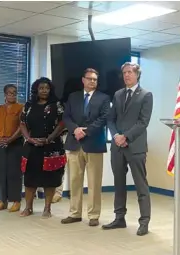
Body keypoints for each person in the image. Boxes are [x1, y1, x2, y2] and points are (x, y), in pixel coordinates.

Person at [103, 62, 153, 236]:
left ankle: (144, 221)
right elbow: (110, 119)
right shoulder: (117, 94)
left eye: (130, 72)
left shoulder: (146, 95)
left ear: (137, 74)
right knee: (119, 184)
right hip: (117, 147)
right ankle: (119, 218)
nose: (126, 75)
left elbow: (143, 122)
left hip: (136, 146)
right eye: (124, 72)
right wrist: (116, 135)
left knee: (141, 185)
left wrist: (126, 136)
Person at [61, 68, 110, 227]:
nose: (92, 82)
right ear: (83, 80)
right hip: (74, 143)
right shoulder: (73, 97)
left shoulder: (104, 98)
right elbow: (66, 116)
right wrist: (75, 129)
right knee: (75, 180)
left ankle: (94, 215)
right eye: (89, 79)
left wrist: (86, 131)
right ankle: (75, 213)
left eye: (95, 79)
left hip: (94, 143)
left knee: (94, 182)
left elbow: (104, 118)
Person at [19, 77, 66, 218]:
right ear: (36, 90)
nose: (44, 90)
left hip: (52, 147)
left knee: (50, 178)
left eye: (47, 88)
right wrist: (29, 138)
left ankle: (47, 208)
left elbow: (62, 123)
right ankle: (28, 208)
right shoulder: (28, 105)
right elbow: (22, 123)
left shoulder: (56, 105)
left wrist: (49, 138)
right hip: (31, 147)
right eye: (41, 88)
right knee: (29, 178)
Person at [0, 84, 24, 212]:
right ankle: (2, 200)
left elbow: (22, 126)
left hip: (15, 143)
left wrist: (10, 139)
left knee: (15, 172)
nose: (12, 95)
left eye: (14, 93)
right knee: (2, 171)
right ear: (5, 94)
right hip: (1, 143)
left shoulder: (21, 107)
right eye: (9, 93)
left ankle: (16, 201)